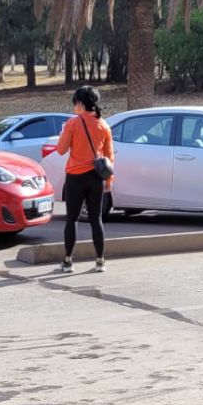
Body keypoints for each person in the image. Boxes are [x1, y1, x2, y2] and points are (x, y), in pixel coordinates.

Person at [55, 86, 114, 273]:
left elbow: (61, 149)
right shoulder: (103, 125)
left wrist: (63, 135)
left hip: (75, 176)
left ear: (80, 103)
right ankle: (100, 261)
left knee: (72, 219)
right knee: (96, 219)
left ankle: (68, 261)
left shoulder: (73, 124)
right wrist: (109, 181)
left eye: (75, 102)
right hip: (96, 177)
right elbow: (109, 156)